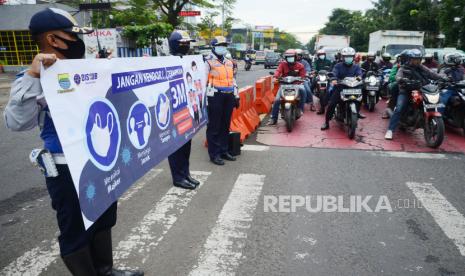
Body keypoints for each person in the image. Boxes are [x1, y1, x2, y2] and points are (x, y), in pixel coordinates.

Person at [3, 8, 143, 276]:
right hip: (66, 168)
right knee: (75, 228)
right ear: (53, 40)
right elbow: (16, 123)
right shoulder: (34, 78)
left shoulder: (85, 69)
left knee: (103, 217)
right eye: (72, 36)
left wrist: (107, 69)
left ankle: (105, 270)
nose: (79, 42)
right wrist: (33, 76)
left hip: (101, 159)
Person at [384, 49, 445, 140]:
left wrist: (443, 78)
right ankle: (390, 130)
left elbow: (431, 73)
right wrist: (401, 79)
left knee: (435, 102)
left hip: (421, 90)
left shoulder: (422, 67)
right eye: (414, 59)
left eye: (418, 59)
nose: (416, 61)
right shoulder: (403, 68)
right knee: (400, 108)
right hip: (406, 91)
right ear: (409, 59)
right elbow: (397, 76)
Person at [166, 30, 200, 190]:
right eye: (183, 43)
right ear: (174, 44)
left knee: (187, 144)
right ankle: (178, 177)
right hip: (174, 111)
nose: (186, 46)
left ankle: (185, 173)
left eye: (188, 43)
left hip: (186, 109)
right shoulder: (165, 62)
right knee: (176, 146)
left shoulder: (187, 60)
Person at [205, 36, 239, 166]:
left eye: (224, 45)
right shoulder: (207, 62)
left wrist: (236, 95)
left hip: (228, 95)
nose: (223, 47)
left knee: (225, 125)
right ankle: (214, 154)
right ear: (213, 46)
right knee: (214, 126)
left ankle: (224, 150)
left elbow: (233, 80)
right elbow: (203, 81)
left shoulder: (229, 62)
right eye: (220, 45)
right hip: (214, 96)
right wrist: (205, 101)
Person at [321, 47, 365, 130]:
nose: (348, 58)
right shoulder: (338, 66)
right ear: (343, 57)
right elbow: (334, 73)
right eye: (346, 56)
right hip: (340, 87)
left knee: (360, 98)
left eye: (350, 56)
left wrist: (359, 78)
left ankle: (357, 112)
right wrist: (334, 79)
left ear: (353, 57)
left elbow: (359, 75)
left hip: (353, 88)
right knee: (332, 104)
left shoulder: (356, 66)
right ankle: (326, 122)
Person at [267, 49, 306, 125]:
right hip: (284, 85)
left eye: (291, 57)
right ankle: (273, 118)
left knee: (303, 90)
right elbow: (278, 71)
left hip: (297, 84)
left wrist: (302, 78)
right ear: (286, 58)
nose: (290, 58)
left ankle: (300, 109)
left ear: (295, 57)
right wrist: (275, 76)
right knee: (277, 100)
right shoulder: (282, 64)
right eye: (288, 57)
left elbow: (303, 75)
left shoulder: (300, 66)